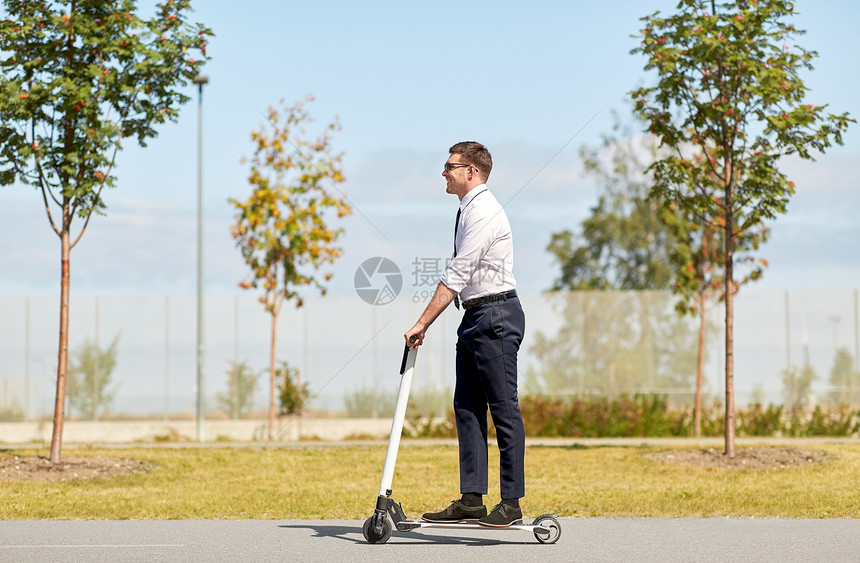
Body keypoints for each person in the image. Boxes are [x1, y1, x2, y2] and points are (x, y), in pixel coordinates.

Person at [404, 141, 526, 528]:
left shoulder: (485, 212)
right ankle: (472, 498)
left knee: (504, 410)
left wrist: (422, 322)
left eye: (449, 166)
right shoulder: (467, 210)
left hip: (496, 316)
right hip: (475, 317)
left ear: (471, 171)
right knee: (468, 408)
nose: (444, 172)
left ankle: (511, 503)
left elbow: (457, 273)